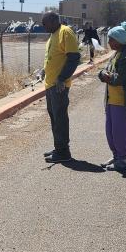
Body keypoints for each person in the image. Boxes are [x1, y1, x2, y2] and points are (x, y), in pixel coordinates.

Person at [97, 23, 126, 172]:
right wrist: (104, 74)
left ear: (119, 40)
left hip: (122, 100)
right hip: (111, 99)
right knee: (110, 131)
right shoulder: (117, 53)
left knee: (119, 131)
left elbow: (119, 78)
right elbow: (107, 71)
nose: (108, 43)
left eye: (111, 40)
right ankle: (116, 156)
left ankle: (122, 160)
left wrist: (106, 76)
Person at [40, 12, 81, 163]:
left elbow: (74, 58)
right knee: (54, 117)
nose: (43, 27)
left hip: (59, 85)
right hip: (50, 84)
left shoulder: (65, 32)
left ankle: (63, 152)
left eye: (45, 24)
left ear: (53, 20)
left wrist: (62, 78)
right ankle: (59, 147)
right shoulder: (53, 34)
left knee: (60, 118)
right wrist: (45, 69)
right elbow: (53, 56)